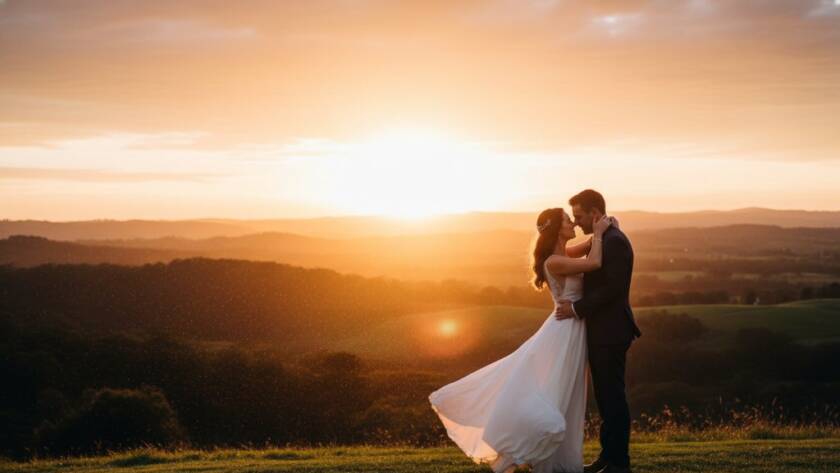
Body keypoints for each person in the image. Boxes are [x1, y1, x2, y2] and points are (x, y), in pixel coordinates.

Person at [429, 205, 612, 473]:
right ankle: (523, 445)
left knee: (567, 391)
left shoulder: (561, 254)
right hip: (563, 332)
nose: (573, 223)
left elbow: (585, 248)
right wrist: (598, 233)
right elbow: (594, 261)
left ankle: (557, 459)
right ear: (557, 229)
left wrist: (601, 230)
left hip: (571, 330)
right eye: (567, 220)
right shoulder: (554, 261)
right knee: (554, 388)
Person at [555, 189, 642, 473]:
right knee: (605, 398)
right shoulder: (604, 239)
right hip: (602, 332)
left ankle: (619, 463)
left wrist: (576, 309)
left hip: (611, 332)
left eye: (579, 216)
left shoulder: (614, 242)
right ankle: (609, 456)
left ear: (594, 214)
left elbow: (612, 289)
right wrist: (597, 236)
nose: (577, 222)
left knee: (613, 397)